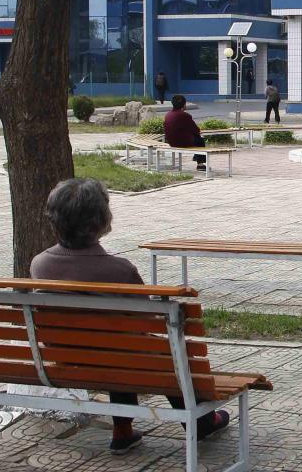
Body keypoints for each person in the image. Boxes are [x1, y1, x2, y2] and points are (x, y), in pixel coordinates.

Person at [29, 178, 230, 455]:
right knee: (154, 353)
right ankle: (202, 422)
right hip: (124, 361)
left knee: (120, 348)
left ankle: (122, 429)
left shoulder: (39, 264)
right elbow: (146, 321)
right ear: (102, 221)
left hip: (66, 359)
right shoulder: (120, 270)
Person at [164, 94, 207, 171]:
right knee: (200, 140)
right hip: (182, 143)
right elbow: (196, 130)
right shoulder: (185, 115)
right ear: (184, 105)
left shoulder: (168, 114)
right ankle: (200, 164)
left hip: (170, 142)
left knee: (196, 138)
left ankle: (197, 158)